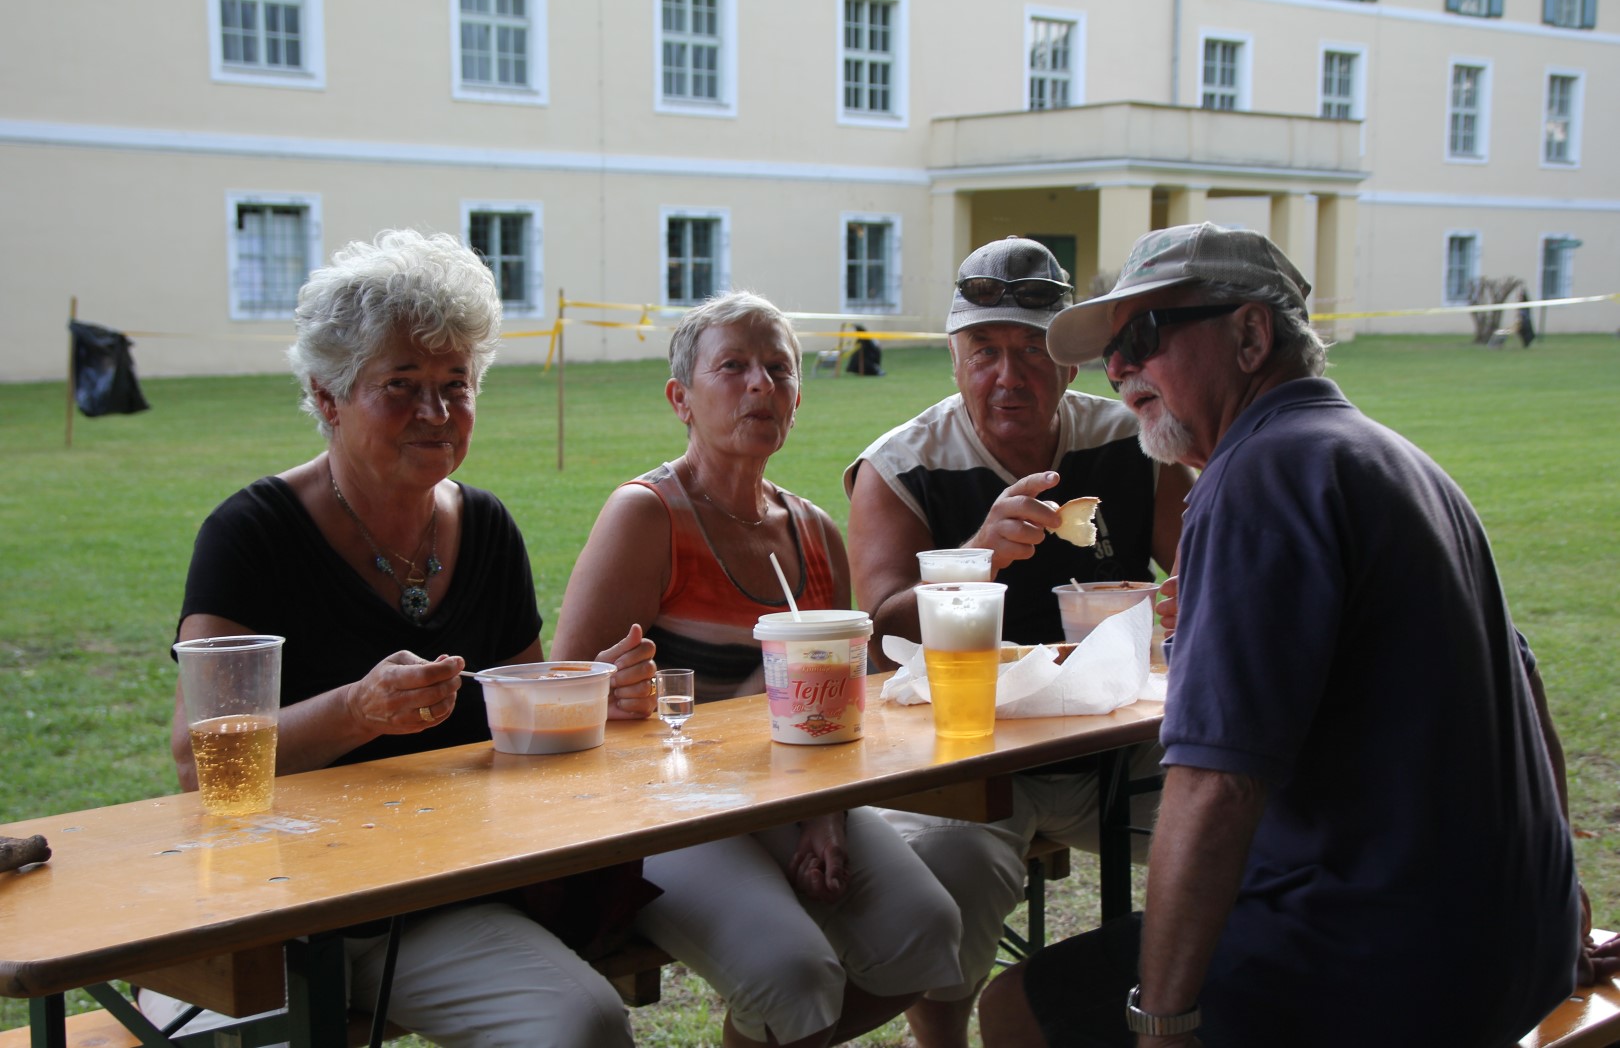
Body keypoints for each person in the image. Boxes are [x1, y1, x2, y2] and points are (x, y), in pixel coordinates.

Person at [979, 221, 1588, 1047]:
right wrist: (1568, 900)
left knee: (1016, 1008)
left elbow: (1215, 785)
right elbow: (1529, 691)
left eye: (1147, 336)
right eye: (1113, 349)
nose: (1119, 368)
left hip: (1383, 964)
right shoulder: (1399, 460)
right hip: (1523, 942)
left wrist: (1162, 1022)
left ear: (1251, 335)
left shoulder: (1260, 473)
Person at [145, 230, 657, 1048]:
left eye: (456, 384)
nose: (435, 412)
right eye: (401, 385)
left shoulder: (486, 528)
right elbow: (194, 759)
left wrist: (587, 691)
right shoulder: (251, 535)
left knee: (583, 1021)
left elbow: (512, 719)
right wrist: (357, 710)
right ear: (327, 396)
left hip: (434, 900)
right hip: (278, 904)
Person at [552, 290, 963, 1048]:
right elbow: (562, 691)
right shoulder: (646, 517)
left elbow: (837, 706)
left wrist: (826, 819)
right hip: (663, 807)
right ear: (682, 397)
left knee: (930, 930)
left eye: (779, 369)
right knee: (793, 968)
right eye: (734, 367)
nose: (760, 386)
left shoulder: (814, 534)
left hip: (786, 791)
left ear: (799, 398)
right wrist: (617, 691)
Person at [843, 236, 1194, 1048]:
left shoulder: (1132, 443)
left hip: (1122, 739)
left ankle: (1198, 1002)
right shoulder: (901, 466)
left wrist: (1187, 603)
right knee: (953, 871)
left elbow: (1210, 566)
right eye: (985, 351)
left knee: (1256, 817)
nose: (1009, 376)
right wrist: (977, 559)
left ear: (1070, 363)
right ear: (956, 361)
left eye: (1032, 351)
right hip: (970, 754)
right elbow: (882, 621)